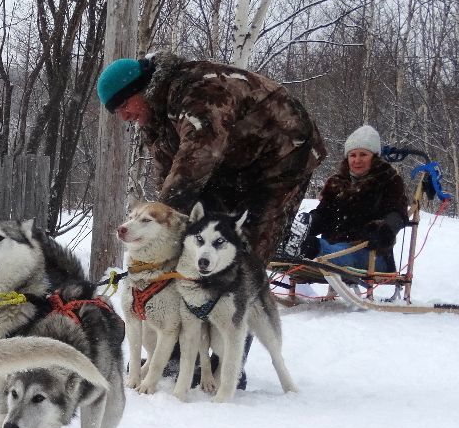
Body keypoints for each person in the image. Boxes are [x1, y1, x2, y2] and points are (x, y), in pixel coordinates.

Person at [97, 52, 326, 260]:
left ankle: (254, 279)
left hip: (287, 149)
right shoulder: (153, 117)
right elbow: (167, 175)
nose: (124, 116)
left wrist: (164, 225)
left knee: (244, 244)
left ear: (141, 89)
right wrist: (170, 223)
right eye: (117, 112)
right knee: (203, 230)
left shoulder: (197, 89)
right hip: (236, 162)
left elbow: (198, 158)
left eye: (124, 104)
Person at [302, 124, 408, 271]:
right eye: (352, 155)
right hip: (333, 247)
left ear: (374, 157)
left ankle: (314, 248)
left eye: (363, 154)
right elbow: (323, 214)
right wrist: (307, 224)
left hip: (371, 254)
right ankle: (298, 245)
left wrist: (384, 230)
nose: (357, 160)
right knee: (315, 246)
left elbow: (397, 213)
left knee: (335, 253)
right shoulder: (336, 183)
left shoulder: (388, 180)